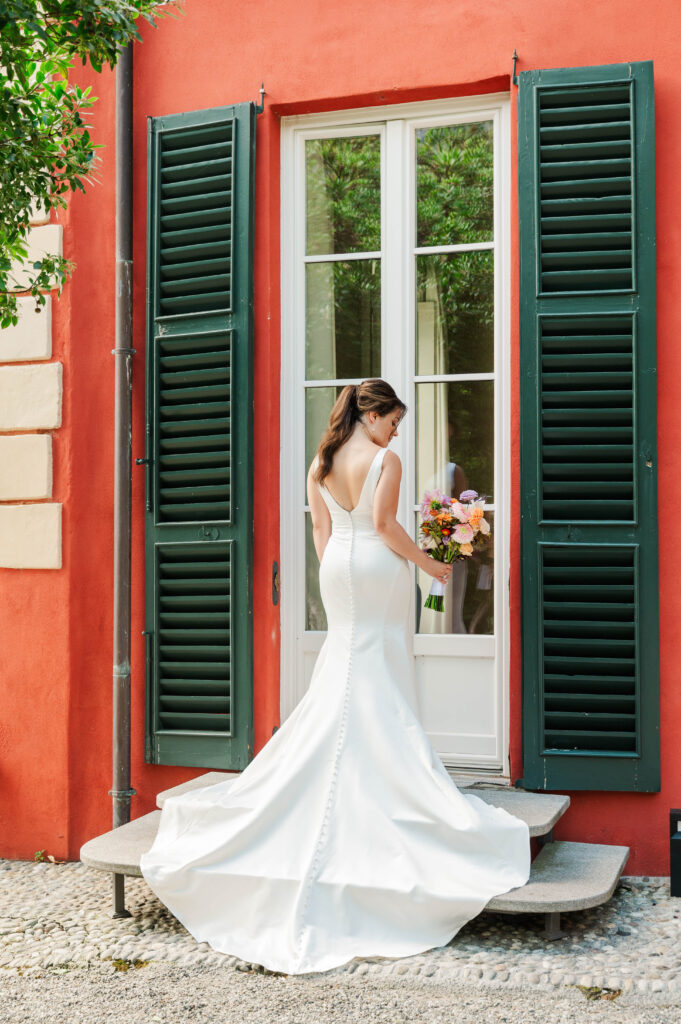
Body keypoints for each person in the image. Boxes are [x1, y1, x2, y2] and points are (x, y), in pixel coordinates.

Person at [139, 378, 530, 976]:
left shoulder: (319, 462)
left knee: (346, 668)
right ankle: (388, 780)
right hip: (378, 566)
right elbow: (386, 525)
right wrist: (431, 566)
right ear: (371, 414)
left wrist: (335, 573)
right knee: (375, 670)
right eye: (393, 419)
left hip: (338, 572)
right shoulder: (385, 460)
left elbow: (322, 533)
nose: (396, 431)